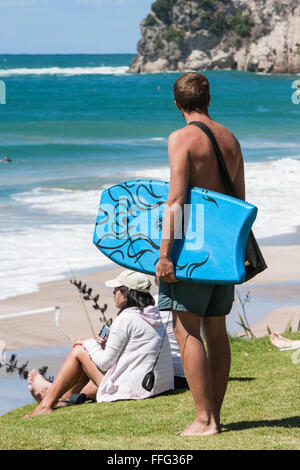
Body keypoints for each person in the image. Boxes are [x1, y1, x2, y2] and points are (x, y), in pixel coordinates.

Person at [156, 72, 246, 436]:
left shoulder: (181, 138)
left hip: (189, 250)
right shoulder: (230, 139)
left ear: (177, 104)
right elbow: (239, 202)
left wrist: (165, 255)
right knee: (216, 330)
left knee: (186, 330)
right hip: (222, 249)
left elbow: (176, 200)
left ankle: (203, 419)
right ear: (208, 98)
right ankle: (216, 417)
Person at [25, 269, 174, 417]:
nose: (113, 293)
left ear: (126, 292)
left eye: (116, 289)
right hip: (157, 385)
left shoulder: (126, 318)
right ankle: (62, 399)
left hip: (134, 389)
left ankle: (45, 405)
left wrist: (87, 343)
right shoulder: (153, 316)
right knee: (88, 352)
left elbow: (104, 363)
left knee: (79, 350)